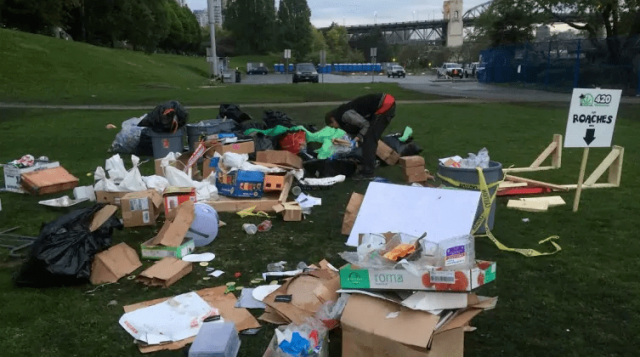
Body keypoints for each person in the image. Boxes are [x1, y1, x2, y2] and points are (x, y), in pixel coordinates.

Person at [325, 93, 396, 180]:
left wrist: (357, 138)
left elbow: (365, 125)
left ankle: (368, 173)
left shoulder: (345, 115)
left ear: (332, 119)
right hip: (383, 104)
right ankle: (370, 163)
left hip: (385, 104)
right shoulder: (342, 116)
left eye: (332, 126)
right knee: (369, 138)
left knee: (369, 140)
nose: (335, 128)